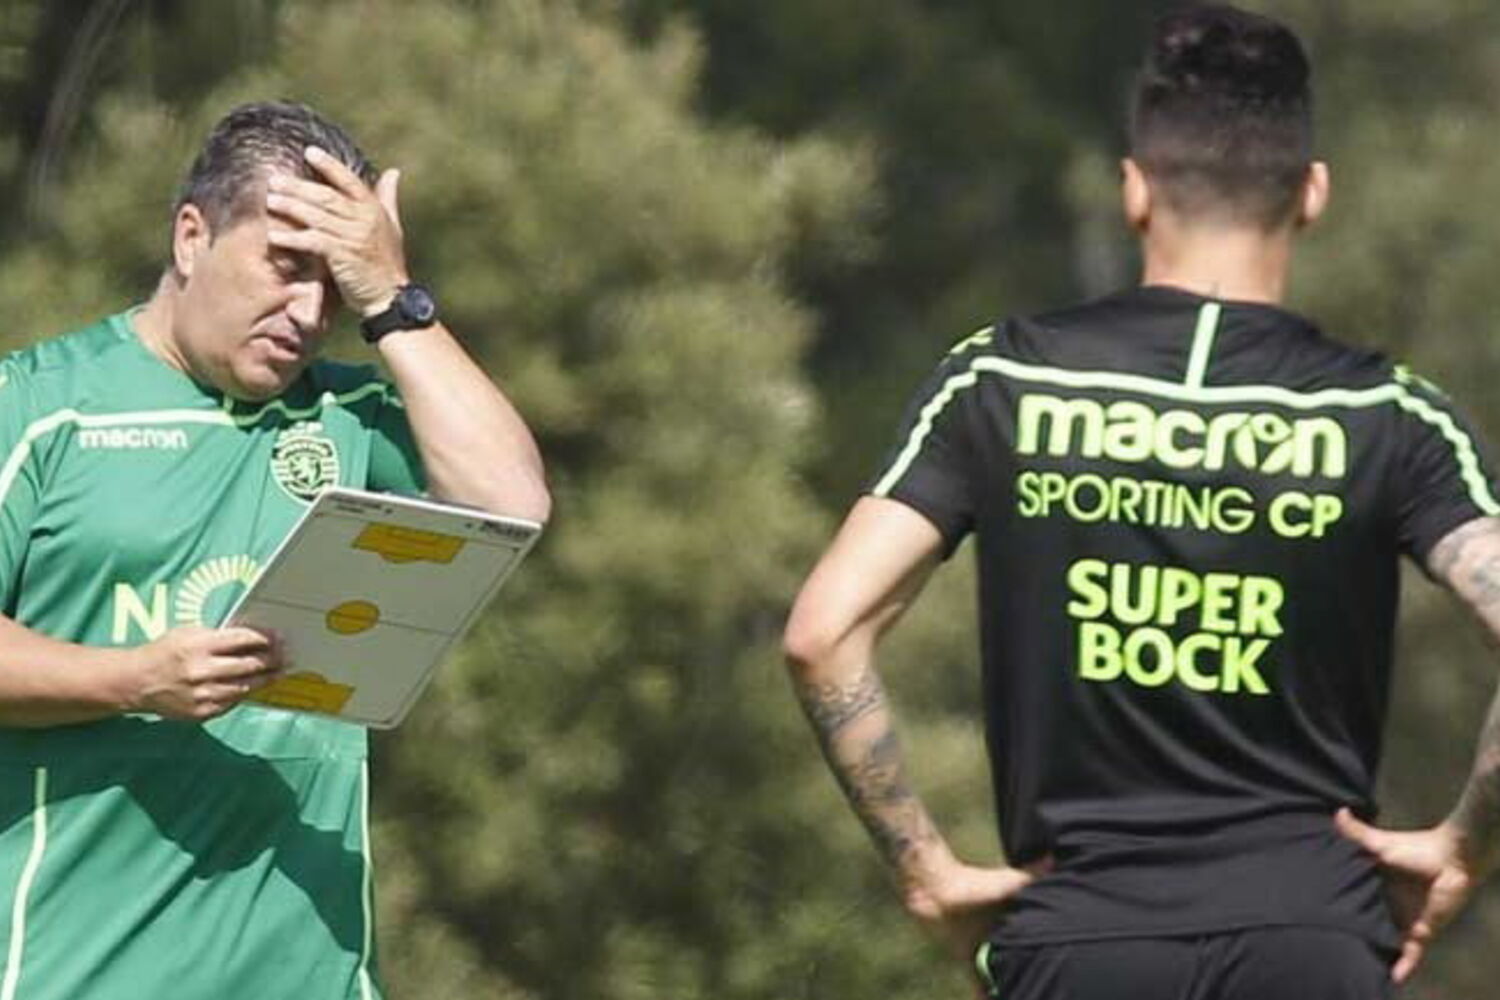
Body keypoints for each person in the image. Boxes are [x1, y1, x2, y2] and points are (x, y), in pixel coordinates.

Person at [784, 5, 1500, 998]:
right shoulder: (1386, 413)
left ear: (1133, 189)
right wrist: (1465, 846)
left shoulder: (1002, 382)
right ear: (1313, 192)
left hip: (1082, 941)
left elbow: (822, 634)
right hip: (1312, 942)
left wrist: (927, 872)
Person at [0, 101, 549, 999]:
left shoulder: (350, 415)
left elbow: (511, 504)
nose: (309, 311)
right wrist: (133, 680)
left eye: (335, 286)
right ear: (192, 237)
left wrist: (393, 300)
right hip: (79, 974)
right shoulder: (37, 406)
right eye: (288, 267)